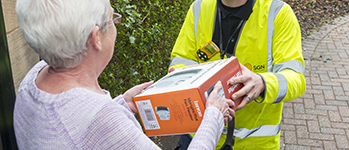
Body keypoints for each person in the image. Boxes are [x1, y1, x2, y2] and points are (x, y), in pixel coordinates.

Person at [13, 0, 236, 149]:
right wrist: (214, 115)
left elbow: (79, 134)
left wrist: (121, 104)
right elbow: (92, 124)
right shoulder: (102, 118)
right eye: (112, 20)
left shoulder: (32, 80)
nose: (115, 27)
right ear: (95, 38)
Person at [169, 0, 306, 149]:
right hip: (199, 137)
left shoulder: (278, 12)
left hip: (254, 143)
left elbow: (295, 78)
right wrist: (179, 79)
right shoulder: (199, 7)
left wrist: (262, 83)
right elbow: (181, 60)